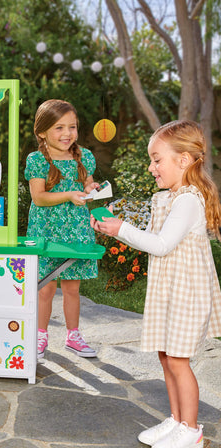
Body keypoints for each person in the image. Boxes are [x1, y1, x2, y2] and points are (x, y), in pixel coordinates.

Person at [91, 120, 221, 448]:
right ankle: (177, 420)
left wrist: (122, 228)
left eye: (156, 159)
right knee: (166, 356)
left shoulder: (189, 201)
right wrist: (114, 229)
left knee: (178, 360)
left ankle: (191, 430)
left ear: (183, 159)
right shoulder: (168, 198)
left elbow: (162, 244)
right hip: (170, 291)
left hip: (186, 295)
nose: (151, 167)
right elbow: (153, 239)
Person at [25, 99, 100, 359]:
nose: (67, 134)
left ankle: (73, 336)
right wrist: (69, 194)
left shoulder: (84, 156)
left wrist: (92, 189)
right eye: (59, 128)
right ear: (42, 132)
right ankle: (39, 336)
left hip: (76, 230)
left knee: (72, 286)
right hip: (46, 230)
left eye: (72, 127)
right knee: (45, 286)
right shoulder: (36, 160)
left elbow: (87, 184)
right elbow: (39, 198)